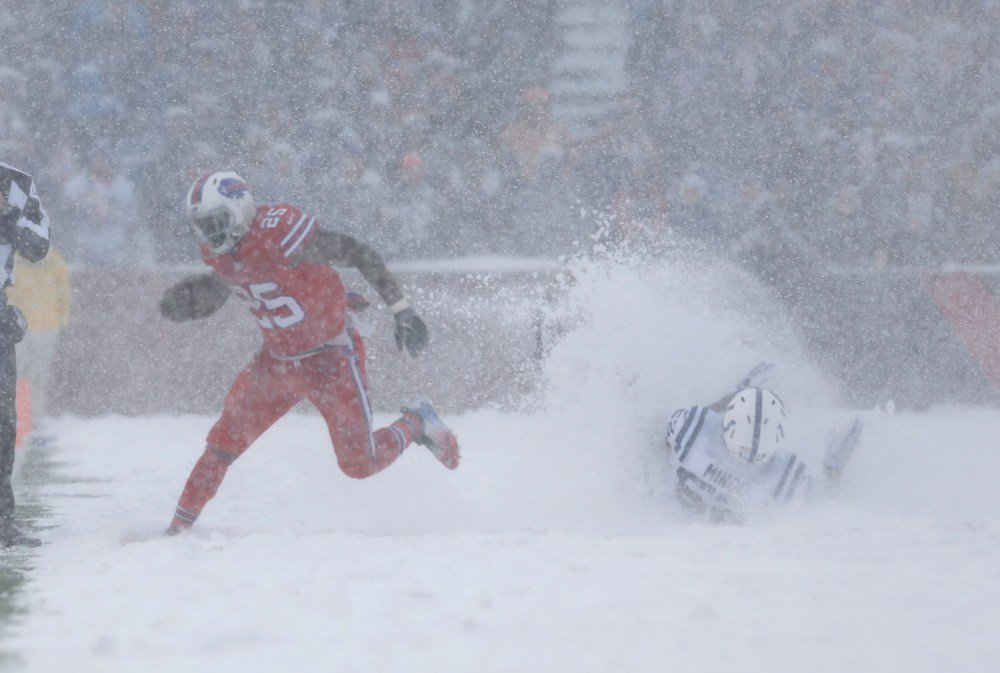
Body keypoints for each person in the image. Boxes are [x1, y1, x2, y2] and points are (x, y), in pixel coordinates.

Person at [160, 171, 460, 535]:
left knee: (359, 464)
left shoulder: (280, 231)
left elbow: (358, 253)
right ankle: (176, 530)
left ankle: (417, 422)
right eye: (202, 226)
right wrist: (206, 294)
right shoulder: (216, 250)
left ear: (239, 211)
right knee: (221, 445)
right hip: (276, 361)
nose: (210, 234)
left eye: (216, 222)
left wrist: (402, 309)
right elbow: (237, 278)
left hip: (330, 357)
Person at [664, 364, 862, 522]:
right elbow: (817, 515)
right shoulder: (786, 475)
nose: (749, 452)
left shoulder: (693, 427)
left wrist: (727, 400)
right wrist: (832, 472)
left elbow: (813, 514)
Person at [0, 161, 50, 547]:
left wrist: (8, 217)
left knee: (2, 422)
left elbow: (39, 246)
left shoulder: (16, 182)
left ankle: (2, 520)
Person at [7, 244, 72, 442]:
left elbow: (63, 290)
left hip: (25, 325)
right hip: (43, 325)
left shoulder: (13, 256)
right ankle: (31, 420)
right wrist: (62, 319)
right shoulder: (52, 257)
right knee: (34, 377)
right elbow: (64, 291)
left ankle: (22, 420)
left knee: (18, 375)